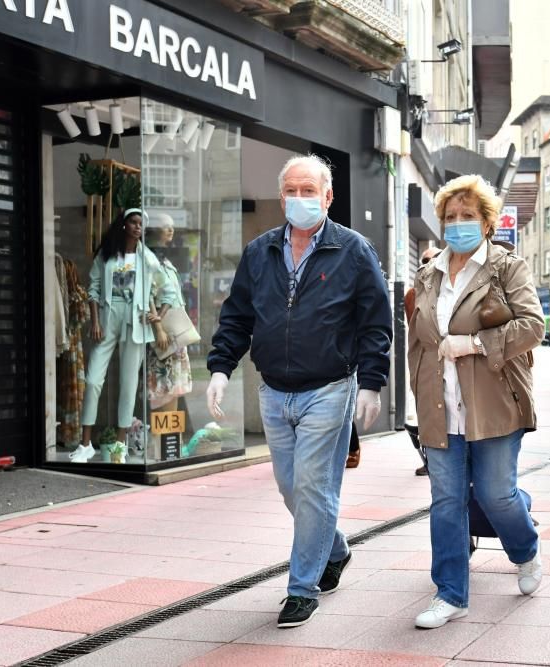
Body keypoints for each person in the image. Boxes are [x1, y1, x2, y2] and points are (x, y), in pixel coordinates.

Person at [206, 154, 392, 628]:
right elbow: (238, 316)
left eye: (310, 190)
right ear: (281, 195)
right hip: (273, 390)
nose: (300, 198)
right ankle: (334, 548)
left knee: (313, 487)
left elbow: (375, 319)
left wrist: (371, 383)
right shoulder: (260, 251)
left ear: (328, 197)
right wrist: (221, 368)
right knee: (293, 489)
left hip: (329, 388)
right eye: (292, 190)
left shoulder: (353, 250)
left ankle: (301, 587)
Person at [407, 174, 544, 629]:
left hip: (494, 403)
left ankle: (525, 551)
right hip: (440, 406)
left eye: (468, 216)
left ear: (487, 222)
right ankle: (450, 594)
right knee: (446, 501)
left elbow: (533, 327)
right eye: (450, 217)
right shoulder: (428, 273)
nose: (458, 223)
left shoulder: (507, 268)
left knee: (495, 494)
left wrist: (475, 344)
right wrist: (418, 400)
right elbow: (419, 344)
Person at [70, 209, 177, 463]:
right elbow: (93, 288)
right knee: (94, 379)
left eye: (141, 224)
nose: (138, 227)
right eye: (133, 222)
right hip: (109, 318)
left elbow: (169, 292)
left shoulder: (148, 259)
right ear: (124, 225)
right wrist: (95, 321)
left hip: (135, 321)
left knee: (128, 384)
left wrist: (157, 316)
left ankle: (120, 444)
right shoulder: (107, 255)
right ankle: (85, 444)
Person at [145, 213, 193, 417]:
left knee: (175, 385)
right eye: (165, 226)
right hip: (163, 331)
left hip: (175, 330)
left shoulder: (164, 259)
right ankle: (163, 439)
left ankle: (170, 439)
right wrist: (158, 328)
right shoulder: (149, 258)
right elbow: (147, 295)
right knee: (163, 385)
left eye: (172, 226)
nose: (171, 230)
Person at [404, 245, 441, 476]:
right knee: (426, 417)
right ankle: (429, 459)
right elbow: (417, 330)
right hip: (425, 366)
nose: (429, 264)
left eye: (434, 259)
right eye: (425, 260)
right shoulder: (413, 294)